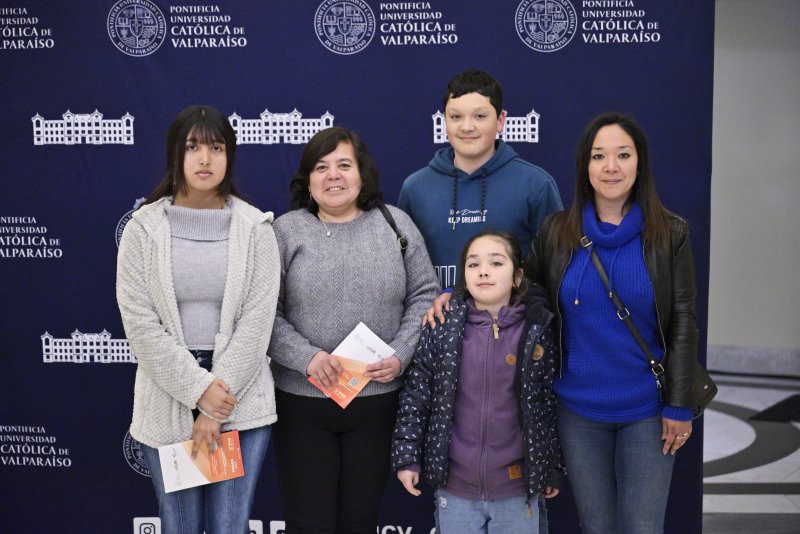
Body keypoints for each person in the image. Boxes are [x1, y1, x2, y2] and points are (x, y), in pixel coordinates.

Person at [524, 112, 699, 533]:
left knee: (643, 526)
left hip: (648, 412)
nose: (611, 167)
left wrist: (680, 403)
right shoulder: (556, 233)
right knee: (596, 526)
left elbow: (683, 321)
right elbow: (523, 291)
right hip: (577, 412)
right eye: (599, 156)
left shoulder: (669, 233)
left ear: (640, 163)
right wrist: (459, 292)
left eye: (623, 155)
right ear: (585, 166)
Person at [116, 105, 280, 533]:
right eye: (192, 147)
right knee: (180, 526)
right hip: (167, 392)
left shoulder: (256, 228)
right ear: (175, 154)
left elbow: (257, 322)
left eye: (216, 147)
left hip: (239, 397)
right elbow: (140, 323)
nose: (205, 159)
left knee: (230, 525)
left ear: (230, 156)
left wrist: (215, 404)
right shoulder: (142, 229)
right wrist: (198, 391)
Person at [268, 126, 440, 534]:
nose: (333, 175)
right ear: (308, 179)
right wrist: (306, 357)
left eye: (344, 165)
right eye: (321, 167)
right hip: (302, 406)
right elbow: (263, 312)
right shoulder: (285, 232)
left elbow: (425, 295)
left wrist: (400, 354)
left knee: (360, 522)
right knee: (309, 525)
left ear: (362, 174)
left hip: (377, 405)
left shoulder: (395, 225)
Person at [392, 229, 564, 534]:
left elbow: (547, 405)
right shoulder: (442, 327)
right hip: (456, 487)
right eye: (473, 264)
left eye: (496, 263)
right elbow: (416, 396)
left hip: (517, 488)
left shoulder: (536, 330)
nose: (483, 271)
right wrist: (407, 458)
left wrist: (550, 468)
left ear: (517, 276)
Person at [398, 68, 563, 290]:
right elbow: (404, 273)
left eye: (480, 116)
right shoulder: (415, 188)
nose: (467, 127)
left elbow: (555, 272)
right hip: (436, 312)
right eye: (455, 117)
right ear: (444, 121)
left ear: (500, 120)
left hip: (513, 312)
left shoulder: (537, 185)